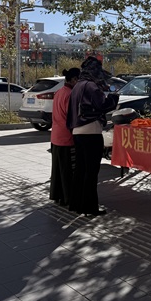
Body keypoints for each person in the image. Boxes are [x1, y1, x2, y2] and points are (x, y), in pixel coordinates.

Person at [66, 57, 119, 216]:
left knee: (80, 171)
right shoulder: (91, 86)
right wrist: (114, 96)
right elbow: (103, 105)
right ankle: (90, 207)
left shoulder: (77, 86)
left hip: (77, 132)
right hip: (91, 133)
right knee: (91, 172)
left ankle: (76, 204)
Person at [49, 67, 80, 206]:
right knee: (68, 170)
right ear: (74, 80)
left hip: (56, 136)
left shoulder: (59, 92)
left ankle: (57, 195)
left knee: (57, 170)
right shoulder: (70, 95)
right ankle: (68, 198)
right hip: (66, 137)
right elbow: (72, 117)